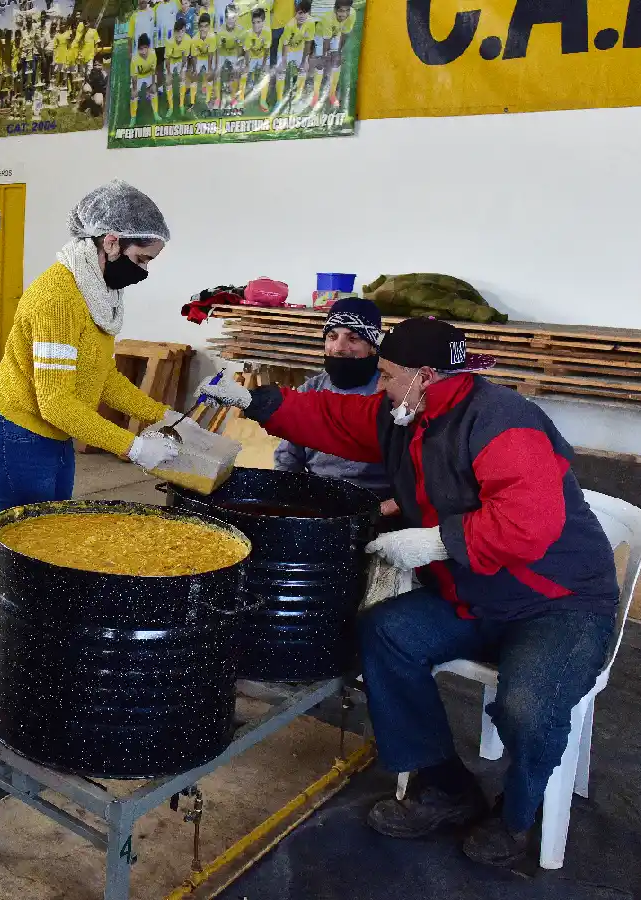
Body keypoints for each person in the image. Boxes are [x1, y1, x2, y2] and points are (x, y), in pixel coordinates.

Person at [198, 316, 619, 868]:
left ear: (425, 375)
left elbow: (529, 523)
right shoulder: (407, 415)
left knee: (528, 706)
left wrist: (438, 542)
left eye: (390, 375)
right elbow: (331, 415)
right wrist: (254, 401)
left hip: (555, 601)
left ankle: (518, 815)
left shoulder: (504, 421)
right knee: (385, 633)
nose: (382, 386)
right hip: (474, 591)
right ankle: (445, 784)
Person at [0, 181, 179, 512]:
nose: (143, 271)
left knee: (54, 533)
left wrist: (163, 414)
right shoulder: (59, 298)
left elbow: (102, 375)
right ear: (112, 242)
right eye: (141, 259)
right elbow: (55, 403)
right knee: (30, 543)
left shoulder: (99, 294)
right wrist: (134, 447)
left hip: (55, 433)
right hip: (16, 433)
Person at [273, 299, 392, 501]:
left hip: (376, 502)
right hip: (317, 497)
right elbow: (288, 457)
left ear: (372, 347)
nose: (338, 348)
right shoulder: (310, 390)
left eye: (353, 338)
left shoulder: (391, 393)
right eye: (332, 336)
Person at [275, 0, 315, 108]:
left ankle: (298, 96)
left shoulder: (311, 23)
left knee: (303, 69)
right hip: (285, 49)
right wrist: (284, 60)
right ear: (295, 13)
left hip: (299, 49)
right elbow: (285, 44)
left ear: (309, 13)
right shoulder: (290, 25)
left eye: (305, 13)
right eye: (300, 13)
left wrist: (305, 60)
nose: (302, 16)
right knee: (280, 71)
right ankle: (279, 101)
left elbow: (308, 43)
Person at [318, 0, 356, 107]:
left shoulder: (352, 14)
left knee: (336, 62)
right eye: (341, 11)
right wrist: (325, 55)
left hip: (335, 35)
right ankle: (316, 87)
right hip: (320, 36)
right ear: (335, 10)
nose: (344, 14)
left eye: (347, 11)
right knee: (320, 62)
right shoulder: (327, 18)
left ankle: (332, 94)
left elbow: (344, 34)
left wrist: (338, 52)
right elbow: (326, 40)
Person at [241, 6, 274, 112]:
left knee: (266, 74)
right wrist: (246, 65)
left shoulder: (268, 32)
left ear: (263, 22)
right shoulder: (249, 34)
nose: (256, 25)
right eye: (254, 22)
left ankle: (262, 101)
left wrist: (264, 64)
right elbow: (247, 51)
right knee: (244, 74)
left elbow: (266, 50)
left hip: (262, 56)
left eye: (259, 22)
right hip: (251, 56)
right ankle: (241, 100)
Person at [164, 18, 195, 119]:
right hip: (171, 60)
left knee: (182, 78)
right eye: (178, 32)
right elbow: (167, 59)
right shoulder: (169, 41)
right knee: (168, 82)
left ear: (185, 31)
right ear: (174, 32)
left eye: (182, 31)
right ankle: (171, 107)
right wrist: (169, 73)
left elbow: (185, 56)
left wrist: (182, 69)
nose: (180, 34)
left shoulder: (188, 40)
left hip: (180, 60)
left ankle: (181, 104)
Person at [215, 5, 245, 110]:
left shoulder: (241, 30)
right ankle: (218, 99)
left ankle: (233, 98)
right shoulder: (219, 31)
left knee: (236, 74)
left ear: (236, 17)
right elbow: (218, 50)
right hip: (222, 54)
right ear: (225, 17)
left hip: (234, 54)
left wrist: (237, 64)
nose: (230, 20)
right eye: (228, 17)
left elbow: (240, 49)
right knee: (217, 72)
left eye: (233, 17)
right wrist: (217, 65)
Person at [190, 12, 218, 111]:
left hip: (208, 58)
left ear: (209, 27)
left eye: (206, 26)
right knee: (193, 78)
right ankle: (192, 103)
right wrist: (194, 70)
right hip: (199, 58)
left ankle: (208, 100)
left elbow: (211, 55)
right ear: (198, 27)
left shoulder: (212, 37)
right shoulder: (194, 39)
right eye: (201, 26)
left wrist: (209, 69)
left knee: (210, 76)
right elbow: (194, 56)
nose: (203, 29)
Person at [130, 33, 158, 125]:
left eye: (145, 48)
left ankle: (156, 113)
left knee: (153, 89)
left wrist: (153, 83)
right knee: (133, 94)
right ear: (138, 49)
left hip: (149, 74)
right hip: (139, 76)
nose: (143, 51)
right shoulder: (134, 58)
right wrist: (134, 89)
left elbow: (154, 71)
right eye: (140, 49)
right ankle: (133, 118)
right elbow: (134, 76)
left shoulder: (153, 54)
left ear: (148, 47)